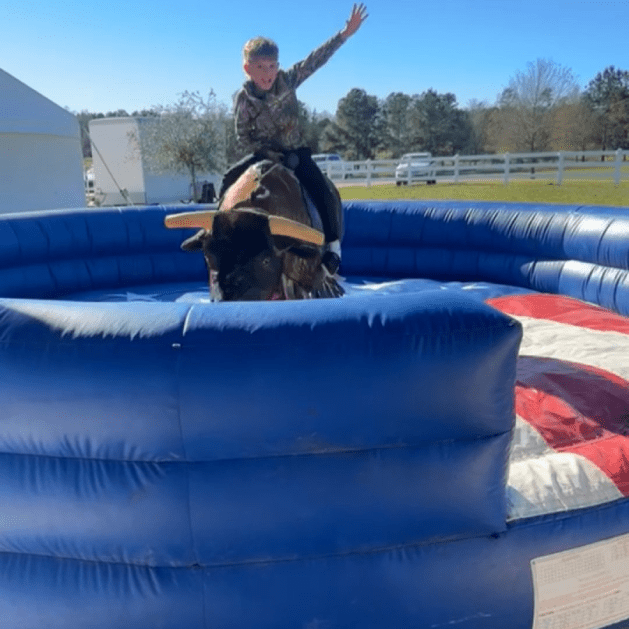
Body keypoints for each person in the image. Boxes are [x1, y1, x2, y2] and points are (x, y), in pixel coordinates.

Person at [220, 3, 368, 274]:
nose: (268, 73)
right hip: (263, 156)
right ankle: (220, 238)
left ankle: (333, 246)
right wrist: (267, 154)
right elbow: (242, 135)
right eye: (260, 67)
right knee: (227, 180)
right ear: (247, 69)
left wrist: (344, 35)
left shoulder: (287, 81)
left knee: (323, 190)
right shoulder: (243, 99)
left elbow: (315, 61)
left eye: (272, 66)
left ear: (278, 66)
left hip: (295, 153)